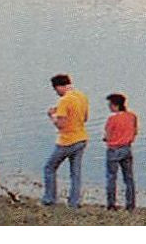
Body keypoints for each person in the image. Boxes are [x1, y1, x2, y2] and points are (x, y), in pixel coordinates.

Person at [42, 73, 88, 208]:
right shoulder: (81, 96)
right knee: (75, 173)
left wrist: (52, 116)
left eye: (55, 90)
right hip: (81, 138)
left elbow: (60, 124)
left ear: (59, 87)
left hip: (67, 141)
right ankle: (74, 202)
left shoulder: (64, 100)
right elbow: (84, 118)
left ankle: (49, 199)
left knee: (49, 168)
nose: (56, 93)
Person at [104, 92, 139, 210]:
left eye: (110, 104)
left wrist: (107, 139)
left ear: (116, 105)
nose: (109, 107)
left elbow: (108, 135)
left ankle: (111, 204)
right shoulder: (132, 116)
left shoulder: (112, 119)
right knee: (129, 178)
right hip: (127, 148)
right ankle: (130, 204)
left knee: (111, 177)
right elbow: (135, 131)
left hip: (114, 149)